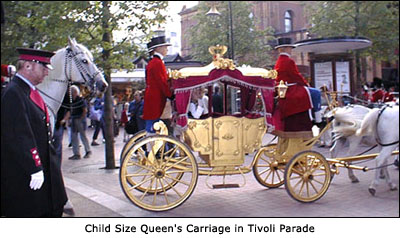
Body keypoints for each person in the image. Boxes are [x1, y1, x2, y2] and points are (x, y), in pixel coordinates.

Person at [1, 48, 67, 217]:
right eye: (44, 67)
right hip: (28, 175)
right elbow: (19, 135)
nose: (47, 72)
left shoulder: (27, 91)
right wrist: (34, 166)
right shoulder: (13, 93)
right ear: (28, 66)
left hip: (46, 172)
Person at [273, 37, 313, 138]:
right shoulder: (288, 61)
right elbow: (296, 75)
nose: (291, 50)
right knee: (314, 93)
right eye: (290, 48)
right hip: (290, 88)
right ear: (285, 49)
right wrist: (306, 84)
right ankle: (317, 118)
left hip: (284, 87)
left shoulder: (279, 61)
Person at [142, 36, 173, 135]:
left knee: (152, 123)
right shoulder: (157, 63)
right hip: (156, 98)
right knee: (153, 125)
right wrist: (171, 95)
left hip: (152, 97)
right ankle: (152, 147)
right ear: (158, 49)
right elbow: (162, 82)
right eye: (165, 47)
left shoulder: (153, 62)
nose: (166, 49)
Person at [68, 85, 91, 160]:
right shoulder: (71, 101)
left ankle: (88, 151)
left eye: (71, 92)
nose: (70, 94)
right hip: (74, 119)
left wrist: (81, 118)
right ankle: (76, 153)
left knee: (82, 136)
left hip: (79, 119)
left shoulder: (80, 100)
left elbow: (85, 110)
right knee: (74, 136)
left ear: (75, 92)